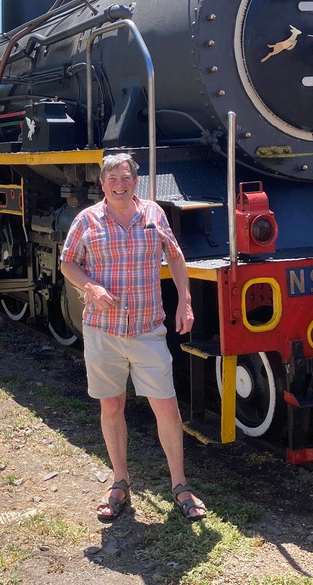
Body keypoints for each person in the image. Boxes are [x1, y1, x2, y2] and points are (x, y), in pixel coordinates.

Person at [59, 153, 207, 523]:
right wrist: (90, 287)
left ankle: (180, 485)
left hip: (147, 330)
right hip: (103, 331)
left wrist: (185, 301)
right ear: (103, 183)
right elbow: (67, 262)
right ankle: (120, 481)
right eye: (113, 179)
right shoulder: (87, 219)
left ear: (135, 181)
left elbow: (175, 257)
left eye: (126, 178)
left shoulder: (154, 215)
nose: (120, 184)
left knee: (167, 408)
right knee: (111, 407)